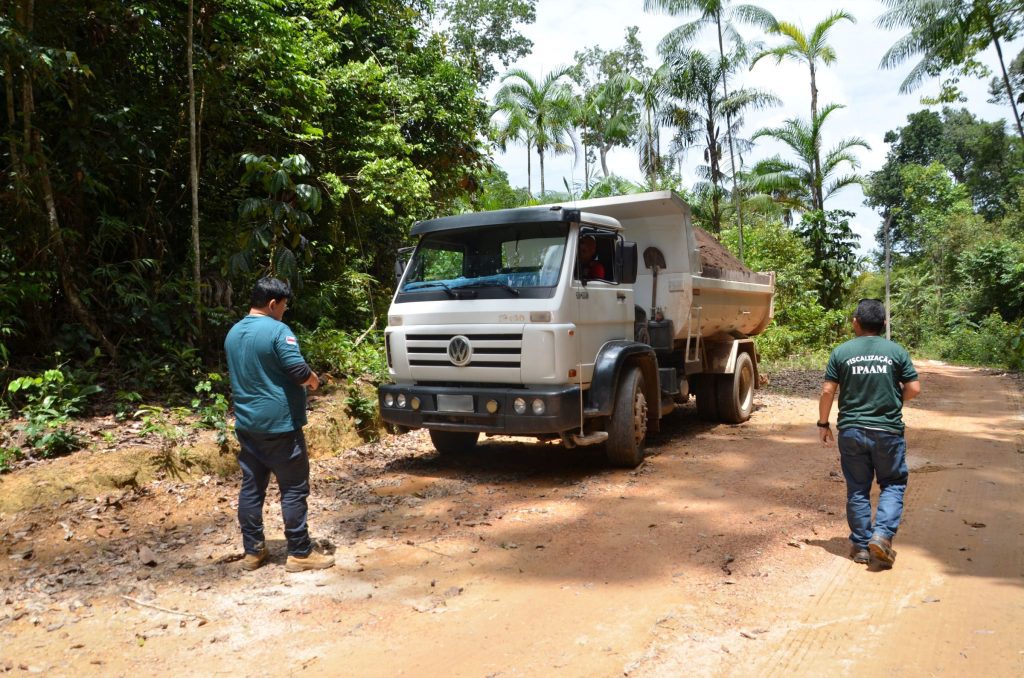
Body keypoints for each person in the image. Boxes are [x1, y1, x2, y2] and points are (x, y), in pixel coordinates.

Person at [224, 277, 335, 572]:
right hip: (280, 426)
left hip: (248, 425)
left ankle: (253, 552)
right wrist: (314, 381)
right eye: (284, 307)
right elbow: (298, 370)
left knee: (251, 488)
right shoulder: (277, 330)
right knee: (294, 488)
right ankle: (299, 552)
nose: (284, 312)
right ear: (273, 304)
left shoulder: (233, 333)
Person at [818, 298, 921, 568]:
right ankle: (882, 536)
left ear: (856, 322)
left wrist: (822, 423)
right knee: (893, 483)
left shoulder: (841, 352)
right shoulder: (896, 351)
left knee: (858, 488)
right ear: (883, 324)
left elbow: (828, 390)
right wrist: (893, 399)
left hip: (851, 431)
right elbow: (914, 389)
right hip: (887, 431)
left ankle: (862, 546)